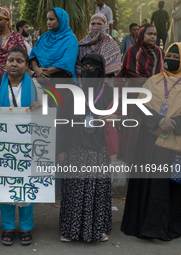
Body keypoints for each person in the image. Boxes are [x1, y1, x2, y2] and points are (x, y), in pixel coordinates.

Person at [57, 53, 124, 242]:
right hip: (75, 148)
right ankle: (70, 229)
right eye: (85, 67)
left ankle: (97, 228)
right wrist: (61, 150)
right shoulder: (72, 92)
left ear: (101, 70)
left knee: (98, 190)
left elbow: (125, 115)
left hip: (99, 149)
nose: (88, 71)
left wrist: (116, 117)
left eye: (93, 67)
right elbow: (62, 123)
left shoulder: (110, 93)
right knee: (73, 190)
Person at [0, 46, 42, 246]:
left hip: (26, 145)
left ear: (26, 65)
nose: (14, 64)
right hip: (1, 147)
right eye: (10, 60)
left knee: (26, 186)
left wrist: (38, 107)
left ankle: (25, 227)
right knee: (6, 186)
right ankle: (7, 226)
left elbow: (46, 110)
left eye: (19, 61)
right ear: (5, 63)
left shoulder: (34, 85)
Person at [121, 43, 181, 241]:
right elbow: (140, 103)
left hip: (174, 144)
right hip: (149, 142)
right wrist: (157, 120)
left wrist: (169, 123)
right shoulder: (153, 81)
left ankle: (164, 228)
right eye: (169, 55)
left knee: (168, 187)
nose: (171, 59)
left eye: (176, 56)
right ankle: (142, 226)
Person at [119, 24, 165, 164]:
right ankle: (130, 159)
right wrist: (149, 82)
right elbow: (128, 70)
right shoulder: (133, 50)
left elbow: (164, 74)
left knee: (152, 127)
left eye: (155, 34)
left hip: (155, 97)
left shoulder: (160, 53)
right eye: (149, 33)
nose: (152, 37)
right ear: (141, 35)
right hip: (135, 95)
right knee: (134, 128)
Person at [29, 8, 78, 79]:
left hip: (61, 81)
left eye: (51, 19)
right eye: (48, 19)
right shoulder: (45, 37)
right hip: (40, 79)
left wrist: (44, 73)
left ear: (61, 20)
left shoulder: (70, 39)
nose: (48, 22)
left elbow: (66, 62)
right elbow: (33, 56)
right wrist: (36, 70)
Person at [76, 13, 121, 85]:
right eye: (93, 23)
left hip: (105, 85)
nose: (96, 26)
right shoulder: (82, 44)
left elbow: (114, 66)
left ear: (105, 25)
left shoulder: (111, 44)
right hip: (85, 84)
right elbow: (78, 66)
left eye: (99, 24)